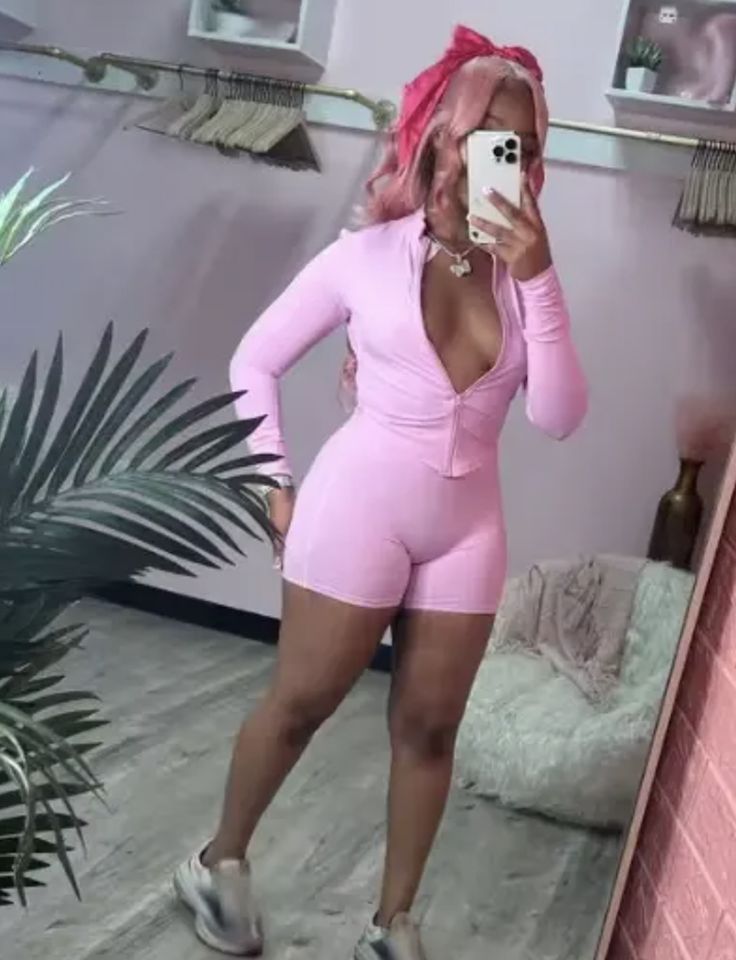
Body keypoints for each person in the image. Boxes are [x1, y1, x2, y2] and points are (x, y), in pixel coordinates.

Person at [173, 24, 588, 960]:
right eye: (486, 136)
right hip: (357, 505)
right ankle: (218, 860)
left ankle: (390, 923)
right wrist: (273, 483)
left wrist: (539, 275)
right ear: (442, 135)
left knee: (431, 729)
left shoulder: (523, 279)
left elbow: (558, 415)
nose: (504, 159)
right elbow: (253, 360)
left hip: (468, 525)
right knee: (301, 703)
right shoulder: (364, 257)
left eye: (521, 145)